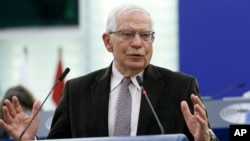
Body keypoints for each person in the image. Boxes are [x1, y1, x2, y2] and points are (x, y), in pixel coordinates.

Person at [0, 3, 218, 141]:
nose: (137, 43)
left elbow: (207, 137)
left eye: (145, 35)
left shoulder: (180, 87)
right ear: (107, 41)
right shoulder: (77, 91)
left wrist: (204, 139)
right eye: (127, 34)